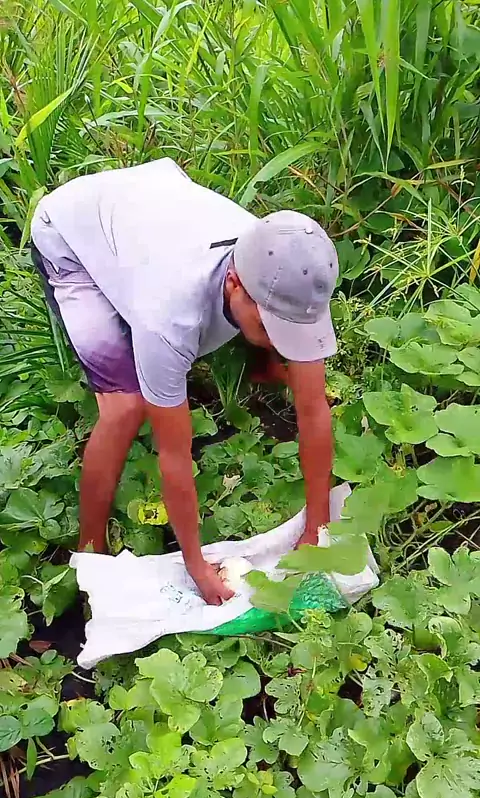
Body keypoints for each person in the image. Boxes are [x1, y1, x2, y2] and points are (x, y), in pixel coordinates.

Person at [31, 158, 338, 605]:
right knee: (126, 407)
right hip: (71, 233)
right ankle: (89, 552)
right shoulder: (168, 318)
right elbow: (174, 456)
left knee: (279, 353)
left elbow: (313, 410)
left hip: (153, 205)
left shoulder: (287, 272)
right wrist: (197, 566)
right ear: (234, 282)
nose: (283, 337)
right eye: (271, 325)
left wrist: (317, 529)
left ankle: (261, 364)